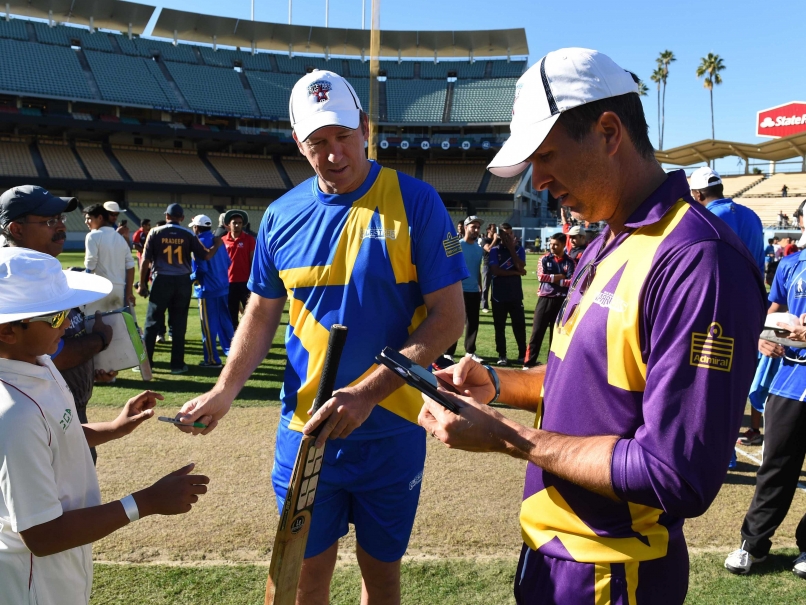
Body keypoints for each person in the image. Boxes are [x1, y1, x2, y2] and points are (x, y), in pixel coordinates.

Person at [417, 48, 766, 605]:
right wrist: (500, 386)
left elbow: (676, 473)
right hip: (552, 555)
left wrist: (508, 438)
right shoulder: (608, 237)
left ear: (608, 132)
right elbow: (588, 382)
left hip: (614, 574)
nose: (538, 178)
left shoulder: (699, 260)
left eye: (547, 154)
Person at [176, 69, 466, 605]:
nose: (333, 153)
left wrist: (367, 393)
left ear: (363, 127)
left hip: (392, 429)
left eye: (342, 137)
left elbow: (448, 320)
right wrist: (224, 391)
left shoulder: (417, 202)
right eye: (317, 142)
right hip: (305, 431)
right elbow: (261, 317)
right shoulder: (280, 217)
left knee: (381, 579)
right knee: (302, 581)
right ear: (298, 144)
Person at [0, 247, 209, 605]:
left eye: (69, 312)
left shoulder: (39, 361)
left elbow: (55, 437)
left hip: (61, 561)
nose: (67, 323)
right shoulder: (14, 414)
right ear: (7, 331)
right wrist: (144, 502)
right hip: (33, 577)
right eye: (54, 317)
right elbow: (42, 535)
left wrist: (115, 427)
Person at [0, 185, 116, 464]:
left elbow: (60, 336)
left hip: (66, 410)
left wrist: (92, 364)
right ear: (16, 230)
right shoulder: (12, 282)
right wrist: (99, 340)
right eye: (50, 221)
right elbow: (52, 353)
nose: (61, 227)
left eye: (61, 219)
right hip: (39, 416)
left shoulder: (47, 273)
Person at [723, 248, 806, 579]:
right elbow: (774, 313)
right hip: (789, 382)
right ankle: (752, 545)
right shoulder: (790, 264)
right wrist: (764, 335)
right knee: (776, 466)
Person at [690, 166, 766, 448]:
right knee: (742, 375)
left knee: (710, 376)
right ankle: (742, 435)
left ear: (698, 194)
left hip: (718, 305)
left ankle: (718, 449)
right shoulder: (753, 216)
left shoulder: (705, 216)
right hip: (753, 304)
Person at [138, 203, 220, 375]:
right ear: (181, 218)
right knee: (179, 323)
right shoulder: (188, 233)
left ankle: (147, 364)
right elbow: (205, 255)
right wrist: (217, 245)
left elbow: (145, 260)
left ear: (166, 216)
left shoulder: (155, 232)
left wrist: (142, 284)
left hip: (161, 280)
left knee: (152, 323)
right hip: (182, 282)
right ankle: (177, 365)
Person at [522, 232, 574, 369]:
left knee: (556, 334)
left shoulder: (569, 262)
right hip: (544, 299)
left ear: (563, 245)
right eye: (551, 244)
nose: (552, 247)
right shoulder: (544, 259)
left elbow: (572, 282)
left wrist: (554, 280)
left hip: (562, 301)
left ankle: (552, 365)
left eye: (556, 244)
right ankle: (528, 363)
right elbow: (541, 277)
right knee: (537, 332)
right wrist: (560, 277)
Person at [190, 214, 234, 368]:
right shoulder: (219, 242)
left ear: (196, 227)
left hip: (207, 290)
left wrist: (187, 278)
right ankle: (234, 354)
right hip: (223, 287)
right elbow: (228, 263)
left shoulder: (199, 243)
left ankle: (211, 359)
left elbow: (201, 269)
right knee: (225, 323)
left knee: (208, 327)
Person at [82, 204, 135, 314]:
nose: (86, 222)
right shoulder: (120, 239)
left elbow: (90, 264)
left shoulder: (92, 236)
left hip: (99, 287)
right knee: (115, 326)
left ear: (100, 218)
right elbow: (130, 265)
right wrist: (129, 292)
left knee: (93, 324)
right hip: (118, 290)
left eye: (89, 219)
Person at [446, 216, 485, 363]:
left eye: (478, 227)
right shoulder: (457, 245)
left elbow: (477, 270)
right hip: (457, 289)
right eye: (473, 226)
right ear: (465, 227)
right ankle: (449, 352)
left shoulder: (479, 249)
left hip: (473, 290)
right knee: (455, 321)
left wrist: (480, 286)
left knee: (473, 322)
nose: (476, 229)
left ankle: (470, 352)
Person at [488, 222, 527, 366]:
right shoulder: (494, 250)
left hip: (515, 294)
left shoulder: (519, 250)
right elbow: (496, 271)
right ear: (499, 235)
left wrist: (511, 249)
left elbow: (521, 265)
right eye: (504, 234)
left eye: (509, 233)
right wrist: (516, 272)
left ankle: (522, 354)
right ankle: (502, 355)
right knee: (500, 326)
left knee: (519, 325)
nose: (507, 236)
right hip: (498, 295)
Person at [221, 209, 256, 331]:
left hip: (245, 282)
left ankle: (249, 336)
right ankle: (234, 337)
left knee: (249, 311)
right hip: (228, 282)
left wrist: (254, 280)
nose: (237, 225)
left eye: (240, 222)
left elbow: (252, 260)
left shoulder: (249, 239)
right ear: (228, 224)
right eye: (234, 222)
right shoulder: (222, 241)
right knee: (231, 312)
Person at [480, 223, 498, 314]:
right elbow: (489, 250)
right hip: (487, 265)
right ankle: (484, 306)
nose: (494, 231)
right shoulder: (484, 240)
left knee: (495, 287)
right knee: (486, 287)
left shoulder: (498, 241)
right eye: (493, 229)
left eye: (495, 229)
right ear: (488, 230)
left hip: (496, 266)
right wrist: (494, 240)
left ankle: (495, 305)